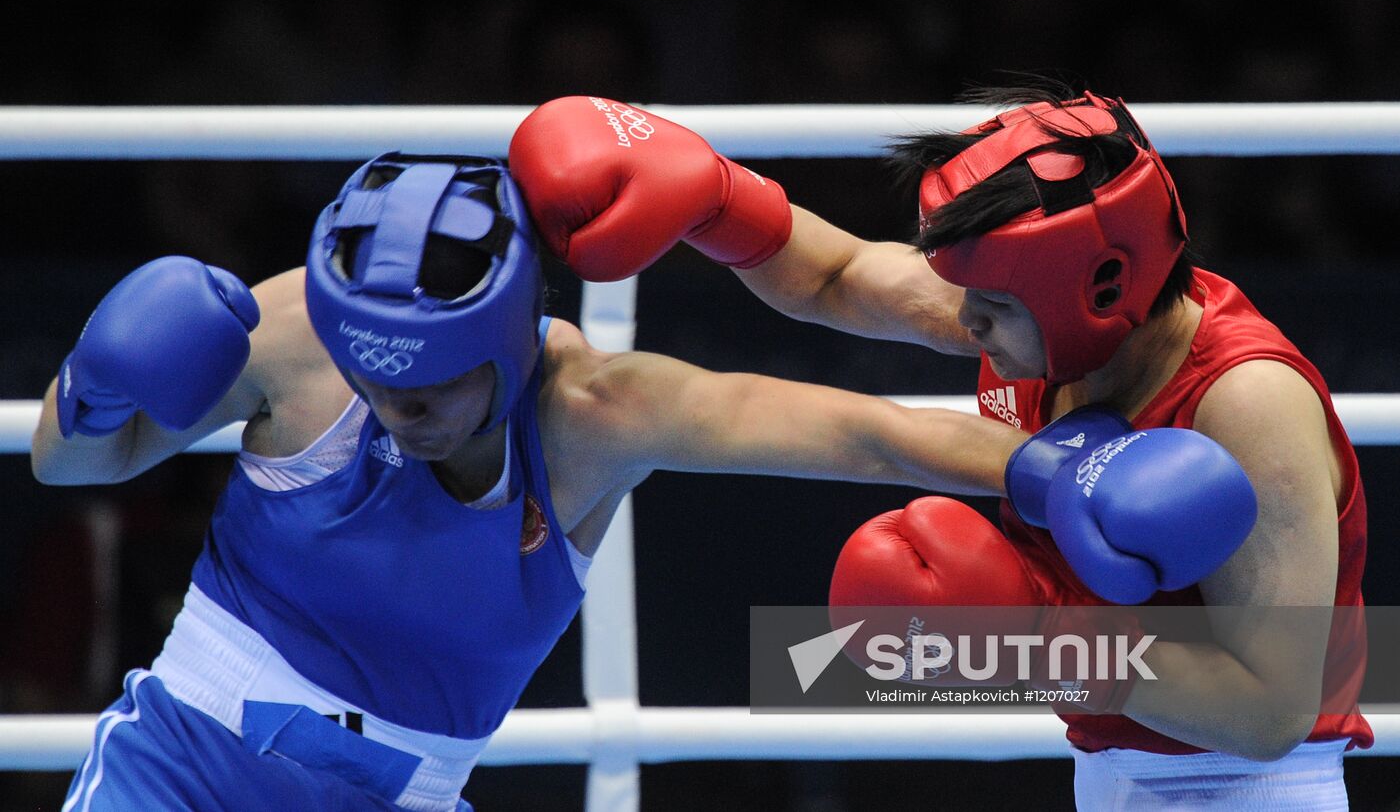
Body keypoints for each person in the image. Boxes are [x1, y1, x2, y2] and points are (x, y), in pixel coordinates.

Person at [31, 153, 1253, 811]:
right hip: (183, 752)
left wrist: (1062, 470)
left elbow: (858, 433)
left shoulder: (599, 414)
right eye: (374, 377)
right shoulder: (293, 330)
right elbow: (69, 460)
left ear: (510, 339)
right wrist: (88, 390)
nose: (394, 412)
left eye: (432, 390)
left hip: (403, 785)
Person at [508, 82, 1371, 809]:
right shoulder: (1043, 315)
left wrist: (1034, 636)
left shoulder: (1246, 402)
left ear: (1097, 287)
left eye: (988, 311)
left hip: (1253, 787)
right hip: (1111, 774)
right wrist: (716, 200)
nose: (961, 324)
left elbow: (1271, 709)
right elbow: (837, 276)